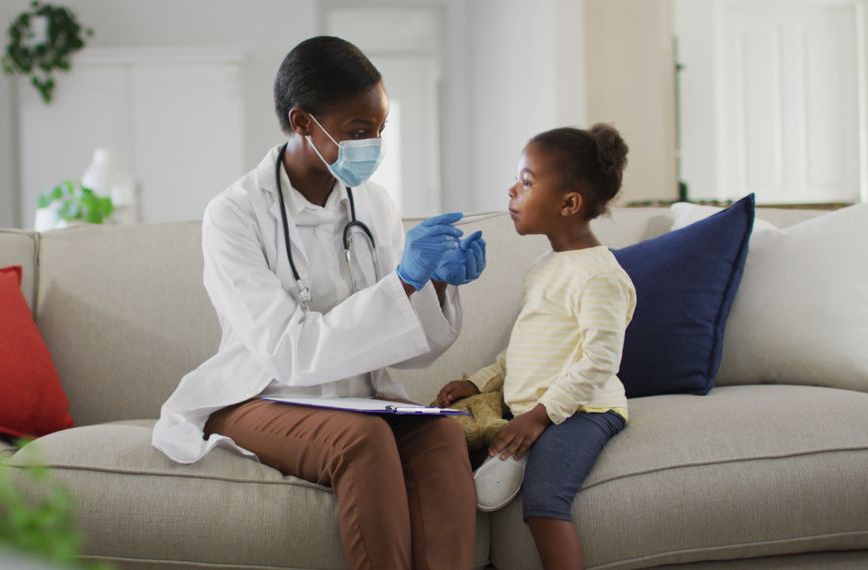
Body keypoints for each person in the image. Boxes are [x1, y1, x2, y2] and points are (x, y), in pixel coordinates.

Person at [152, 36, 486, 569]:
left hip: (358, 396)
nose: (373, 144)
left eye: (379, 130)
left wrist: (438, 284)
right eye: (358, 132)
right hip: (261, 394)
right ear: (303, 121)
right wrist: (402, 283)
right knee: (364, 440)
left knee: (442, 434)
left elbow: (403, 348)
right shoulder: (233, 215)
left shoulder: (372, 203)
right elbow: (288, 352)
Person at [435, 124, 635, 570]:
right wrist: (478, 382)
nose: (512, 190)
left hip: (584, 411)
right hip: (532, 406)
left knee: (545, 499)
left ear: (569, 204)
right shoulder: (545, 267)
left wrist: (540, 416)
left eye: (526, 182)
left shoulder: (599, 276)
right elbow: (523, 349)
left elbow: (600, 361)